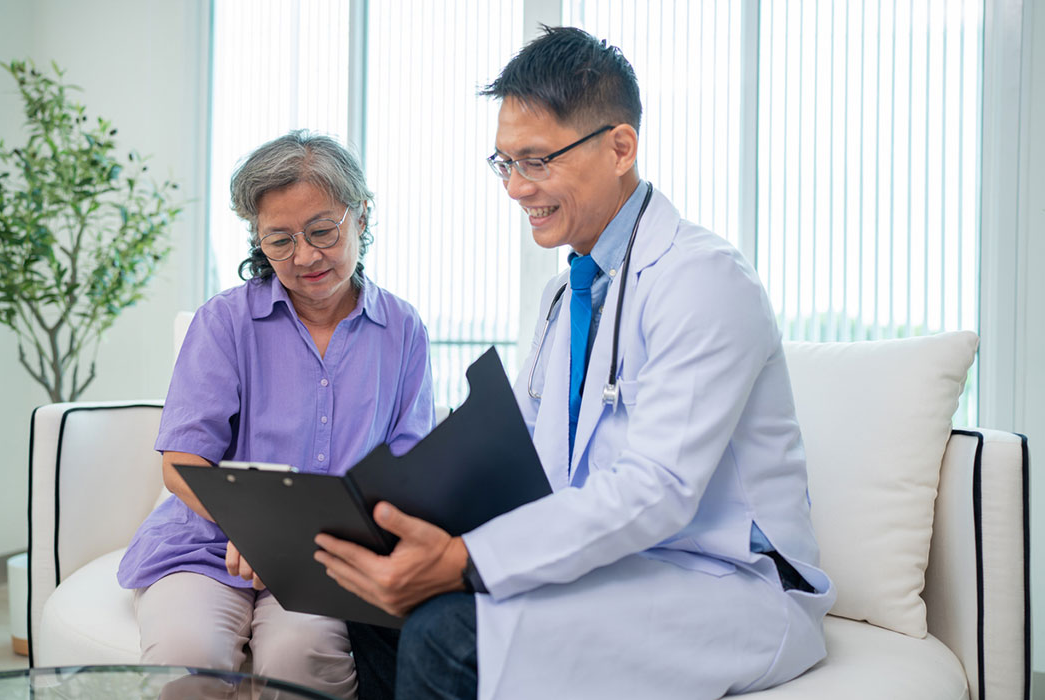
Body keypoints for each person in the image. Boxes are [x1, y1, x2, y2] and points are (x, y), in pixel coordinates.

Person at [313, 27, 836, 700]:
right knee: (375, 610)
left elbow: (658, 488)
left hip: (728, 582)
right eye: (504, 163)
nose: (515, 188)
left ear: (620, 147)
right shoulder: (566, 294)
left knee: (448, 634)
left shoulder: (703, 279)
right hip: (617, 566)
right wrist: (400, 526)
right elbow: (525, 463)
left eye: (537, 161)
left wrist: (465, 561)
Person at [117, 130, 436, 699]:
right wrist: (259, 532)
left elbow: (407, 469)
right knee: (188, 656)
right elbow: (182, 462)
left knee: (302, 656)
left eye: (322, 231)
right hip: (207, 544)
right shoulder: (225, 322)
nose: (305, 256)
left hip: (325, 556)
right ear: (257, 240)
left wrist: (302, 544)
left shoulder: (403, 330)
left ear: (361, 216)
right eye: (279, 240)